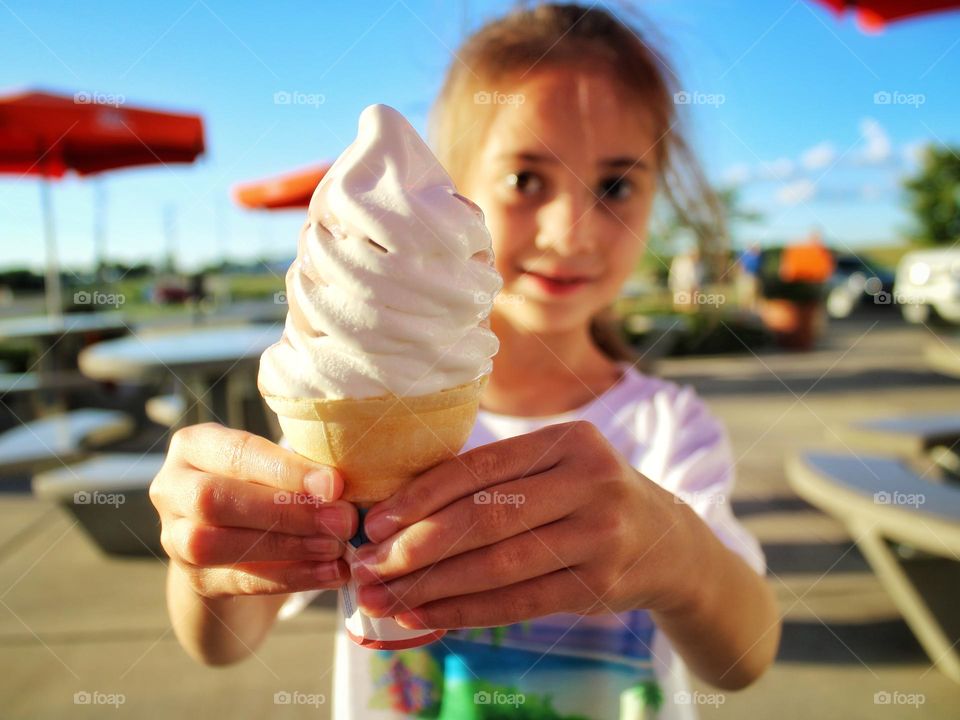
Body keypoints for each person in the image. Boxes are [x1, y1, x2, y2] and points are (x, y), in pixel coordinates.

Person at [149, 5, 779, 719]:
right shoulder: (352, 404)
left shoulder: (668, 427)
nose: (569, 231)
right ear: (450, 195)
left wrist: (680, 557)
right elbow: (225, 644)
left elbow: (743, 658)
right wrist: (205, 555)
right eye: (526, 179)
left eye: (615, 186)